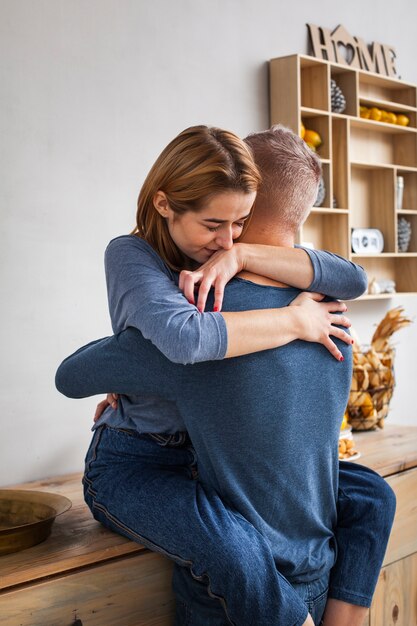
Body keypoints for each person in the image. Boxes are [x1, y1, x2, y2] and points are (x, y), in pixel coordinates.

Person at [56, 125, 395, 626]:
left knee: (370, 492)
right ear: (166, 204)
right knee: (233, 547)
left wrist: (243, 255)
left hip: (197, 452)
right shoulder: (152, 272)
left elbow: (354, 277)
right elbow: (174, 343)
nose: (227, 239)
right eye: (216, 224)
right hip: (136, 459)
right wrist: (293, 321)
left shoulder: (219, 263)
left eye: (238, 225)